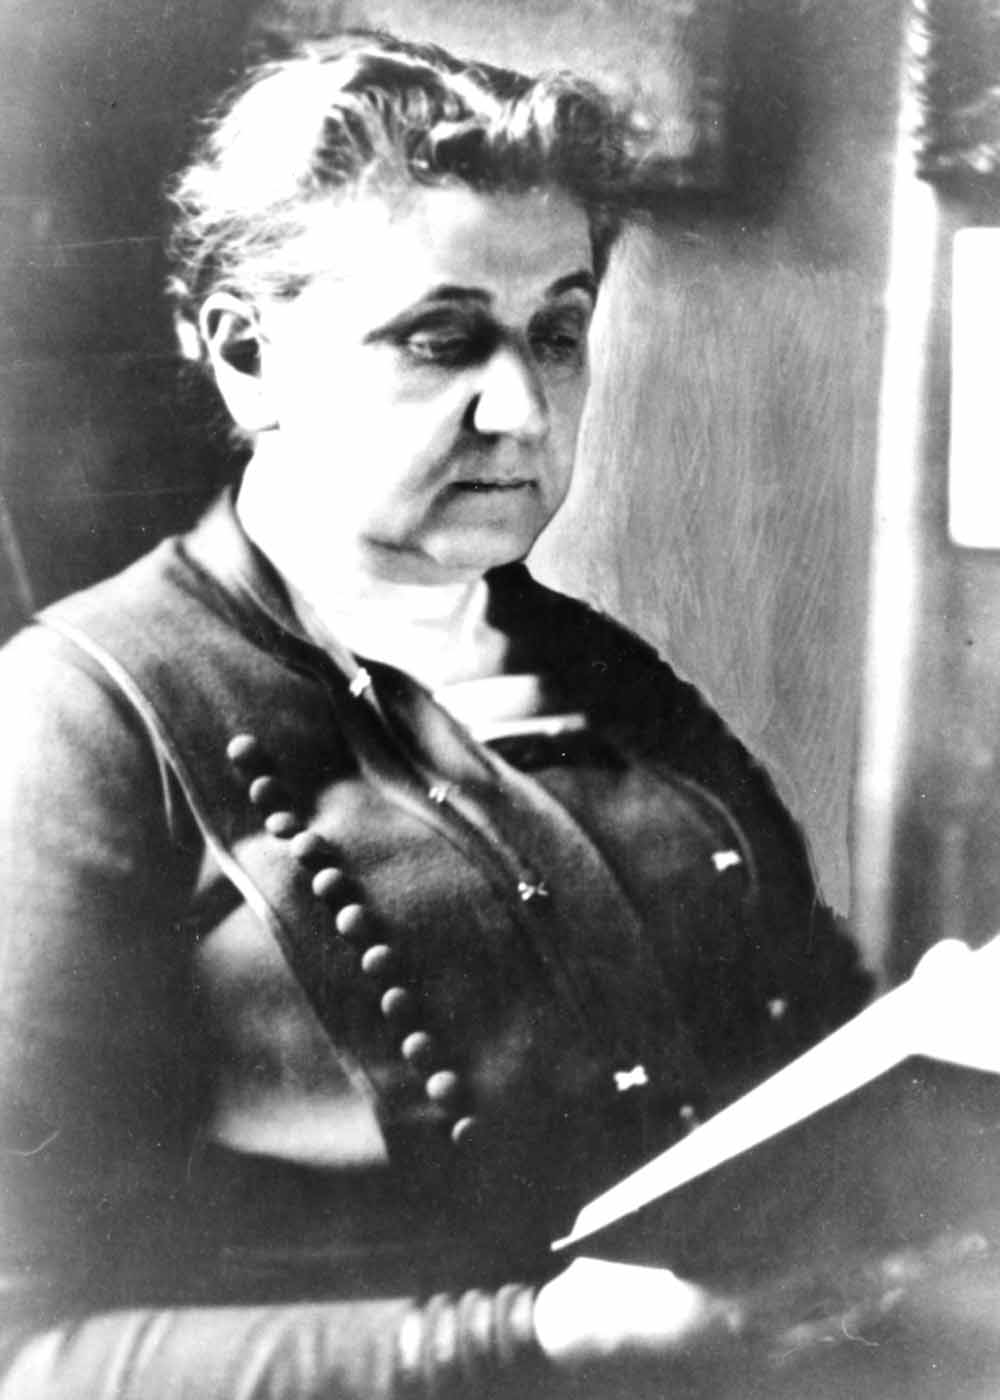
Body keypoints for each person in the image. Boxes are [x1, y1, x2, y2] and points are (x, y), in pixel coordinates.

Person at [0, 29, 871, 1398]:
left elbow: (820, 1063)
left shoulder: (617, 680)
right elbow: (29, 1353)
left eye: (558, 334)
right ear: (247, 355)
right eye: (443, 338)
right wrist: (519, 1342)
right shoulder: (78, 721)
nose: (521, 409)